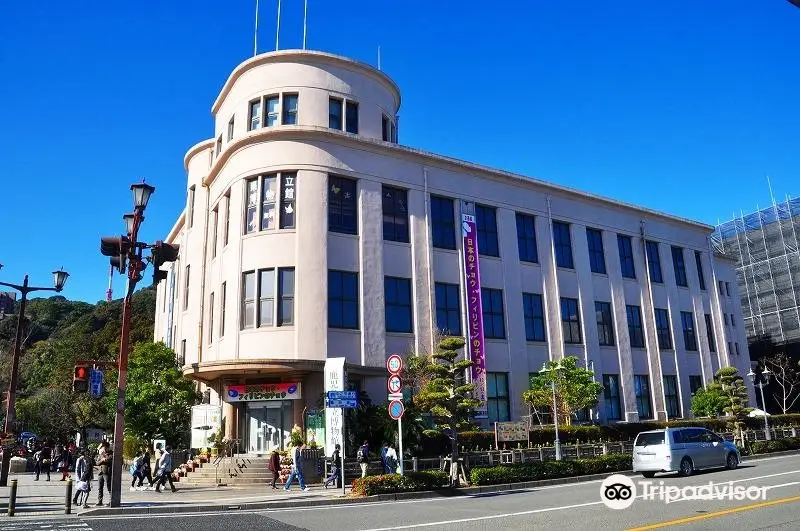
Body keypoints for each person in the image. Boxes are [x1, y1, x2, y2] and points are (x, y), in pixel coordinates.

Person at [95, 441, 112, 506]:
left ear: (108, 448)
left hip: (107, 472)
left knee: (109, 487)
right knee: (100, 487)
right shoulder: (100, 454)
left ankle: (111, 501)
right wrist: (102, 459)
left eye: (105, 448)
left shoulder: (111, 453)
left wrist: (105, 457)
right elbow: (97, 463)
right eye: (103, 448)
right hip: (100, 472)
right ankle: (100, 501)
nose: (103, 449)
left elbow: (109, 459)